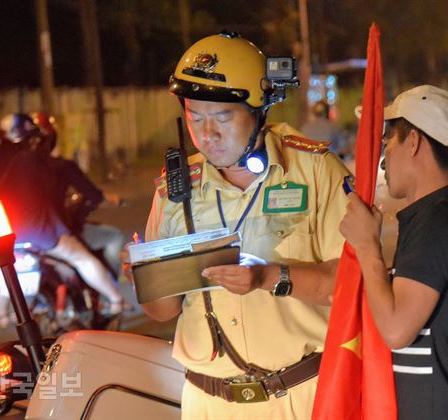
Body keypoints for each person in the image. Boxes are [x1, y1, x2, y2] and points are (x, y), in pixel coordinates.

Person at [139, 32, 350, 419]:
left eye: (222, 117)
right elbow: (162, 310)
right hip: (207, 402)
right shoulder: (174, 190)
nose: (207, 134)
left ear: (259, 110)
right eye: (195, 117)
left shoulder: (315, 172)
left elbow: (350, 285)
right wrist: (146, 276)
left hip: (300, 397)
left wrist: (268, 276)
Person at [339, 85, 448, 419]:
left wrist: (367, 246)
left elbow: (396, 329)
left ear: (414, 141)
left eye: (389, 141)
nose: (382, 157)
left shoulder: (438, 222)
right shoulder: (433, 218)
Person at [0, 114, 127, 327]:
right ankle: (116, 299)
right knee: (82, 259)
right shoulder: (33, 159)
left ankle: (2, 314)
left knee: (2, 262)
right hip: (38, 228)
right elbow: (51, 190)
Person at [30, 111, 126, 278]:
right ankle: (114, 297)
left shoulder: (15, 170)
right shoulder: (62, 166)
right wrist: (113, 201)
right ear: (51, 138)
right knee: (112, 238)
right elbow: (96, 197)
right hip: (55, 234)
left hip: (21, 236)